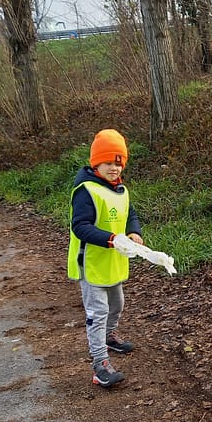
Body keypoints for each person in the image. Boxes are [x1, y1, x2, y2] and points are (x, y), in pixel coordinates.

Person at [68, 129, 144, 387]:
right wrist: (111, 239)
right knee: (97, 312)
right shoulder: (86, 190)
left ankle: (110, 337)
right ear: (96, 163)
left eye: (119, 163)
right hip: (91, 264)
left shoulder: (121, 189)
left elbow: (129, 214)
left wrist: (134, 232)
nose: (114, 168)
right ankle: (100, 364)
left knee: (117, 304)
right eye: (109, 163)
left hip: (113, 263)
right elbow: (80, 226)